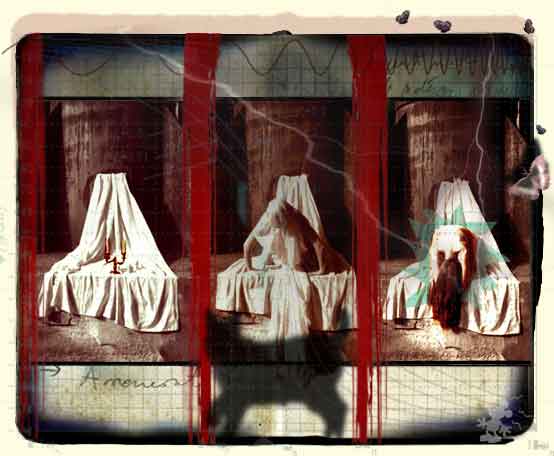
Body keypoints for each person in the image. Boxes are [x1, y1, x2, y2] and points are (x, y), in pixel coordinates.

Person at [243, 197, 348, 274]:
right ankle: (278, 260)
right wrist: (249, 269)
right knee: (264, 261)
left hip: (297, 252)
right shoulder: (266, 219)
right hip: (276, 250)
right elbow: (247, 244)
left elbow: (317, 244)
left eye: (279, 225)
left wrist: (321, 270)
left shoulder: (297, 218)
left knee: (299, 268)